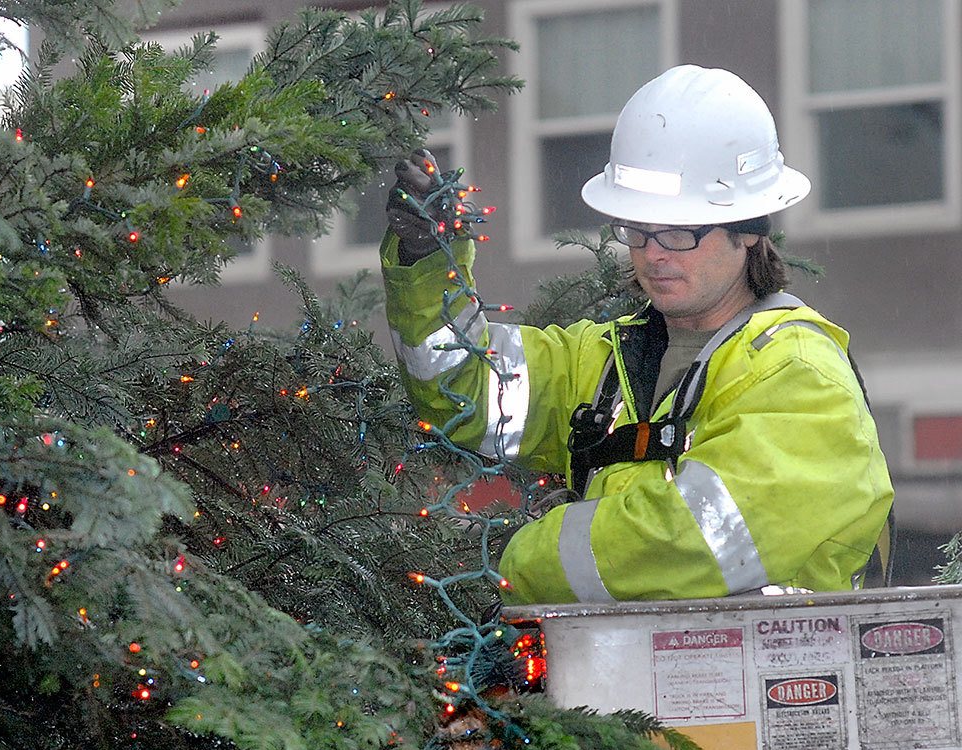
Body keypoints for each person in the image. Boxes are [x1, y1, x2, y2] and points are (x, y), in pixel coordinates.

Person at [381, 64, 894, 605]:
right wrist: (427, 259)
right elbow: (462, 389)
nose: (653, 253)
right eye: (637, 230)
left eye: (678, 231)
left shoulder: (798, 373)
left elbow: (695, 542)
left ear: (749, 229)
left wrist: (522, 558)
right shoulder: (603, 361)